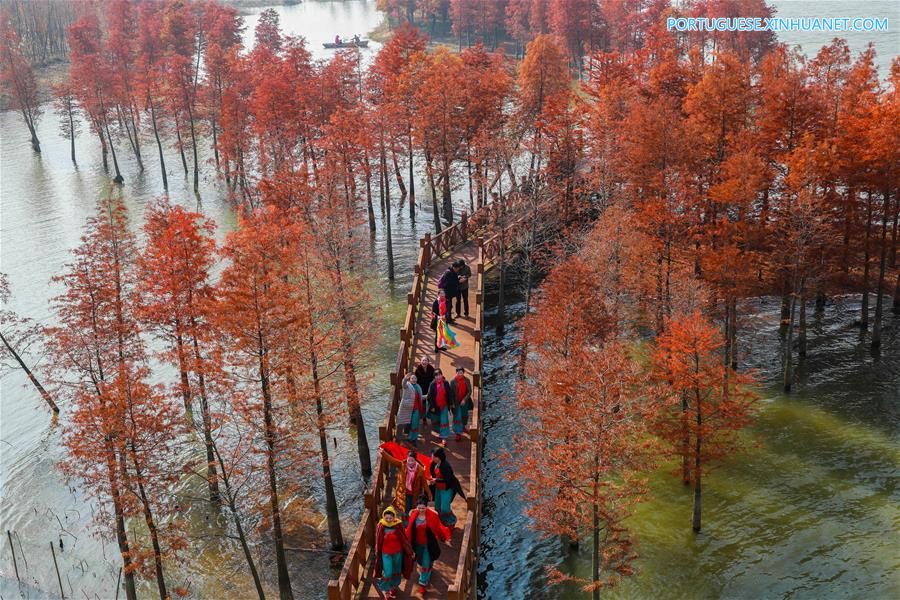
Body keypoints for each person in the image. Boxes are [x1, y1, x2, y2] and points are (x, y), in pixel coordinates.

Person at [406, 495, 451, 596]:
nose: (421, 510)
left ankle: (422, 584)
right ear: (416, 507)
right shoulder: (412, 514)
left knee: (425, 564)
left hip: (428, 544)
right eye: (419, 508)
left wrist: (442, 536)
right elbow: (409, 529)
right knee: (421, 562)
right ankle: (429, 567)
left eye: (423, 508)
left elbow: (437, 527)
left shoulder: (431, 515)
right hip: (417, 544)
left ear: (426, 507)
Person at [374, 506, 414, 598]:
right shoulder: (381, 525)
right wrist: (377, 551)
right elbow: (378, 540)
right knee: (388, 572)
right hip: (386, 553)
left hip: (397, 553)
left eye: (390, 518)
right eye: (386, 517)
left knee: (396, 570)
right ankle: (386, 590)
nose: (388, 520)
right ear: (383, 517)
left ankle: (393, 587)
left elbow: (404, 538)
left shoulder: (398, 524)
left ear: (394, 517)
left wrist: (409, 550)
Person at [380, 446, 432, 517]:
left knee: (413, 507)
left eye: (412, 460)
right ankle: (407, 520)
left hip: (415, 493)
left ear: (415, 460)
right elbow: (392, 460)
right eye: (409, 460)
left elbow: (425, 484)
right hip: (403, 492)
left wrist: (429, 495)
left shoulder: (420, 470)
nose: (410, 462)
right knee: (405, 508)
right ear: (406, 459)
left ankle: (411, 519)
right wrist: (383, 453)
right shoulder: (402, 465)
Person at [429, 447, 465, 527]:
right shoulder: (434, 463)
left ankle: (451, 521)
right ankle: (441, 521)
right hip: (438, 487)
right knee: (437, 506)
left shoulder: (446, 466)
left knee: (444, 508)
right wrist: (432, 477)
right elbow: (432, 472)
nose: (432, 458)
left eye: (434, 457)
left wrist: (436, 480)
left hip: (446, 488)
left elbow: (447, 479)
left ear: (439, 457)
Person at [427, 369, 455, 440]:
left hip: (444, 405)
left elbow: (449, 394)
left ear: (442, 375)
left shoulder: (445, 383)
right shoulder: (432, 384)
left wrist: (451, 403)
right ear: (434, 377)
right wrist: (432, 406)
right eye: (436, 375)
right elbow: (430, 396)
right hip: (436, 405)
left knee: (444, 419)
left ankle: (444, 435)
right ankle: (439, 430)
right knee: (436, 420)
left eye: (440, 375)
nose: (438, 377)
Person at [397, 373, 424, 443]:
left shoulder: (418, 387)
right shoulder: (407, 386)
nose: (414, 380)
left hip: (416, 408)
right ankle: (406, 436)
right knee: (405, 423)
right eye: (412, 378)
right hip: (407, 408)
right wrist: (405, 378)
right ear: (409, 379)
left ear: (417, 379)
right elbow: (403, 384)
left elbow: (420, 397)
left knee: (415, 423)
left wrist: (427, 396)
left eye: (415, 378)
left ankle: (413, 438)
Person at [450, 367, 473, 442]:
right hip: (456, 402)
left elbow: (469, 391)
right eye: (458, 372)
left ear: (463, 372)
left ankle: (463, 427)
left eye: (461, 372)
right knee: (457, 417)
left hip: (464, 402)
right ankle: (458, 433)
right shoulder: (453, 381)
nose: (460, 373)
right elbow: (451, 393)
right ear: (456, 372)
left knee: (464, 415)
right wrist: (452, 403)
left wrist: (464, 399)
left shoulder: (467, 380)